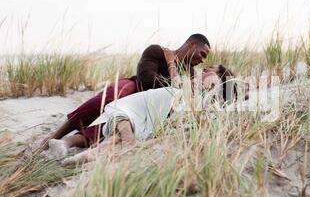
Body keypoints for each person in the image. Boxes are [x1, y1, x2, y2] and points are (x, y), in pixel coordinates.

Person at [36, 34, 211, 153]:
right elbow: (146, 78)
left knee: (115, 121)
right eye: (202, 54)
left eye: (205, 58)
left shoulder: (190, 73)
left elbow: (182, 97)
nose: (202, 60)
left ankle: (70, 142)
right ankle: (56, 135)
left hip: (150, 106)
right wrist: (173, 82)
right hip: (135, 87)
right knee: (116, 94)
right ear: (191, 44)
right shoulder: (158, 51)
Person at [54, 65, 238, 165]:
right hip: (141, 104)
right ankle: (84, 151)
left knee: (124, 134)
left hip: (149, 112)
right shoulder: (190, 85)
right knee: (127, 133)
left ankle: (89, 153)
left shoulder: (205, 94)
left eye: (210, 70)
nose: (205, 70)